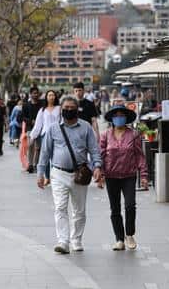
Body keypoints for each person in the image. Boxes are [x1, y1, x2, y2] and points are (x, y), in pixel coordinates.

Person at [37, 96, 102, 254]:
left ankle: (76, 239)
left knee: (79, 210)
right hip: (58, 173)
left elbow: (94, 149)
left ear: (77, 109)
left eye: (72, 107)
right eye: (65, 107)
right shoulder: (53, 128)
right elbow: (45, 152)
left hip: (80, 174)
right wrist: (40, 172)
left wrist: (98, 167)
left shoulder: (86, 127)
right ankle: (63, 241)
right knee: (60, 207)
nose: (68, 110)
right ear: (61, 109)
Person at [100, 105, 148, 251]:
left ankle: (130, 234)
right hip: (111, 176)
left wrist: (144, 175)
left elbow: (140, 155)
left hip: (129, 175)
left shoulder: (134, 134)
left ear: (126, 118)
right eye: (116, 115)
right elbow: (100, 155)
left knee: (130, 205)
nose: (119, 118)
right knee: (115, 208)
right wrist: (100, 174)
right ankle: (119, 239)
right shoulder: (106, 135)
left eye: (122, 115)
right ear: (112, 119)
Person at [30, 90, 60, 185]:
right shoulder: (42, 110)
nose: (51, 97)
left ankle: (55, 177)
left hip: (57, 136)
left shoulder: (59, 109)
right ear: (46, 97)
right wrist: (32, 137)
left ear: (55, 97)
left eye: (53, 95)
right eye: (49, 95)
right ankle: (47, 177)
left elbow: (62, 122)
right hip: (45, 135)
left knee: (56, 157)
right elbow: (38, 125)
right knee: (45, 157)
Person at [22, 87, 44, 173]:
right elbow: (23, 117)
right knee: (30, 146)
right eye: (34, 93)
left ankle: (36, 164)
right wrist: (31, 121)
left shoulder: (42, 104)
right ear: (30, 94)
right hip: (30, 128)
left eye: (37, 93)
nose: (35, 95)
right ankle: (30, 164)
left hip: (40, 129)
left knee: (38, 147)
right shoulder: (26, 105)